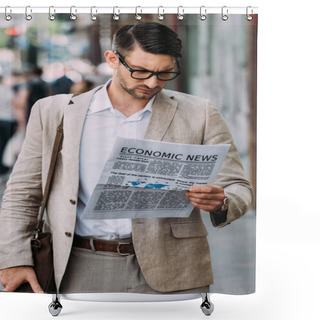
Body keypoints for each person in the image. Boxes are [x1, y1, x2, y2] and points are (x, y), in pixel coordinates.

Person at [0, 22, 253, 294]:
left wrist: (222, 201)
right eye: (140, 71)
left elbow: (239, 186)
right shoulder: (54, 111)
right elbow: (22, 193)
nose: (152, 82)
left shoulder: (200, 113)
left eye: (165, 73)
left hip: (174, 266)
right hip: (75, 263)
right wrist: (13, 259)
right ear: (113, 60)